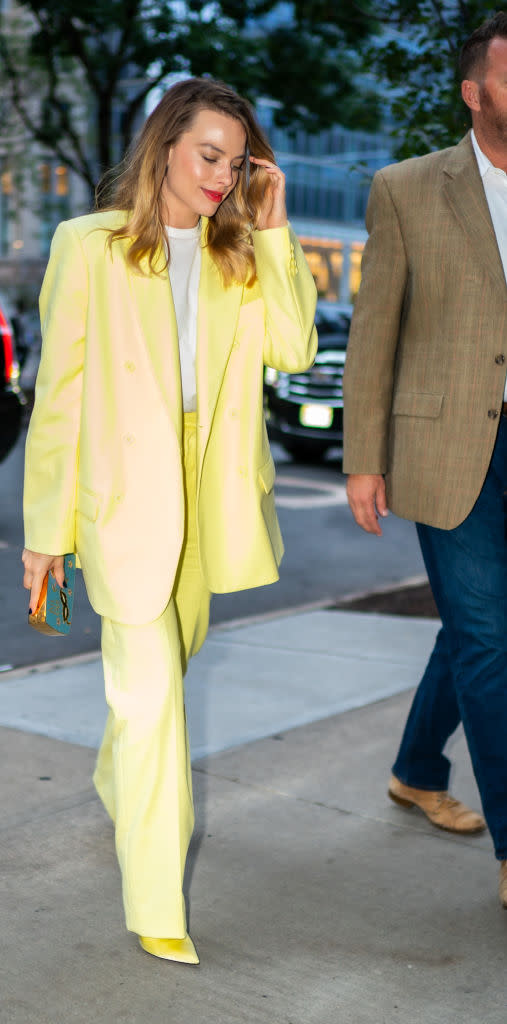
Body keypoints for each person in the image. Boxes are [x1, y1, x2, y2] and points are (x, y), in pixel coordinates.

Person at [22, 77, 318, 963]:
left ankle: (115, 774)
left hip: (212, 492)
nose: (222, 174)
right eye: (207, 155)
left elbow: (295, 347)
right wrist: (47, 534)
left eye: (236, 160)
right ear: (164, 147)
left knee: (165, 676)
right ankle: (157, 902)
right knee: (153, 704)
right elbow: (59, 401)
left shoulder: (237, 256)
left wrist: (272, 224)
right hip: (122, 502)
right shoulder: (89, 246)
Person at [343, 13, 507, 908]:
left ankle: (413, 767)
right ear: (472, 92)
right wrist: (363, 457)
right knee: (490, 643)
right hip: (448, 445)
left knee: (474, 629)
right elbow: (375, 332)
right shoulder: (405, 188)